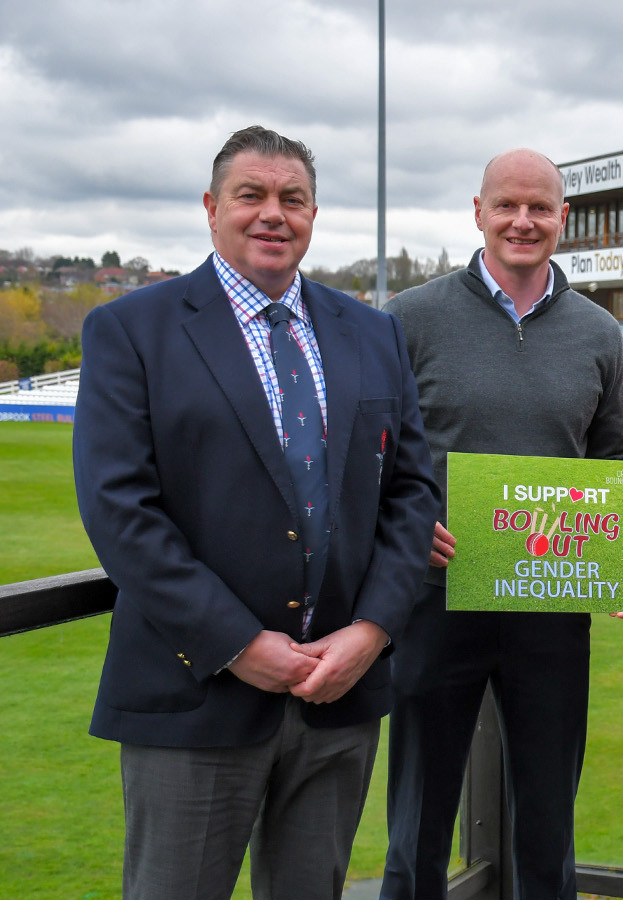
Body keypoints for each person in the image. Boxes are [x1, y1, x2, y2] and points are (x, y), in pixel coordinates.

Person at [72, 125, 439, 900]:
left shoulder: (374, 334)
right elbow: (119, 509)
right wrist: (237, 643)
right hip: (195, 695)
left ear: (313, 215)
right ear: (212, 208)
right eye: (251, 195)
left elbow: (411, 492)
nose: (274, 213)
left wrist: (372, 632)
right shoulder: (132, 330)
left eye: (292, 198)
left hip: (338, 695)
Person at [379, 149, 623, 900]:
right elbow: (371, 453)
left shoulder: (599, 332)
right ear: (479, 212)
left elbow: (612, 460)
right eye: (507, 206)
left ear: (563, 218)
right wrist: (404, 524)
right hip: (435, 599)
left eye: (540, 207)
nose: (523, 221)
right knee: (418, 825)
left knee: (548, 827)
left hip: (551, 606)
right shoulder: (410, 319)